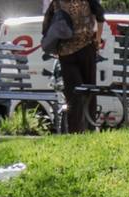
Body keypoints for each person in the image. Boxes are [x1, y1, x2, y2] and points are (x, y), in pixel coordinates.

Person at [42, 0, 105, 132]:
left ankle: (74, 130)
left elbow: (46, 24)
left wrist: (54, 47)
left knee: (73, 93)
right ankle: (90, 128)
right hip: (86, 47)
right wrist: (98, 36)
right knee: (89, 90)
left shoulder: (57, 2)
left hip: (66, 52)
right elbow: (99, 13)